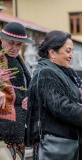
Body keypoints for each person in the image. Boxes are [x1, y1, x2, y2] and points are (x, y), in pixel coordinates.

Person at [26, 30, 82, 160]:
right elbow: (62, 107)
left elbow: (78, 104)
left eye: (72, 51)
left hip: (73, 145)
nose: (72, 56)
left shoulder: (64, 73)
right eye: (68, 51)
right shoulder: (46, 74)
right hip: (59, 148)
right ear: (52, 52)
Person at [0, 22, 34, 160]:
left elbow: (25, 88)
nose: (14, 48)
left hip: (18, 128)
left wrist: (29, 98)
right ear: (1, 39)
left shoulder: (18, 59)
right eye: (11, 43)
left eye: (19, 44)